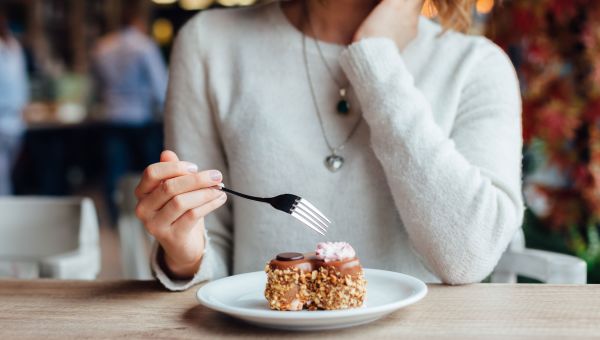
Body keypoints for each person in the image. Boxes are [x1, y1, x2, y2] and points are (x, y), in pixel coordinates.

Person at [135, 0, 524, 290]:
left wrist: (375, 59)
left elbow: (468, 256)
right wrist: (185, 254)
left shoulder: (477, 65)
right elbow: (210, 246)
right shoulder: (209, 44)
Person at [92, 2, 168, 223]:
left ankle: (116, 218)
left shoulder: (102, 46)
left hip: (112, 116)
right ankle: (149, 216)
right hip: (140, 118)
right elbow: (159, 86)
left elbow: (96, 85)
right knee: (149, 172)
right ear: (139, 20)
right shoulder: (144, 46)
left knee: (114, 172)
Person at [0, 8, 28, 195]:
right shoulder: (12, 46)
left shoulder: (14, 47)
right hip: (9, 119)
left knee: (4, 176)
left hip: (12, 119)